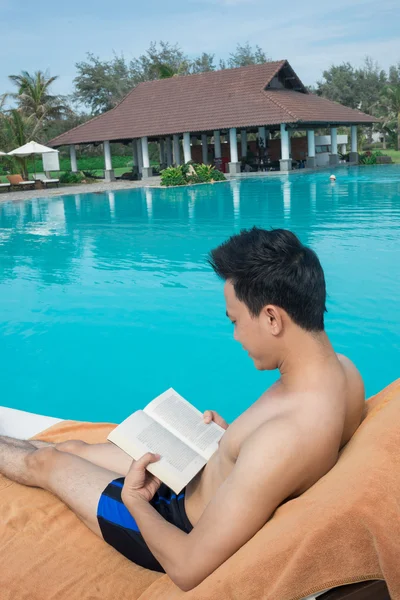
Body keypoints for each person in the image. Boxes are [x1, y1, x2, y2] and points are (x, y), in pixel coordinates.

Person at [0, 228, 365, 591]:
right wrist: (231, 442)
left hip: (170, 521)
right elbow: (273, 459)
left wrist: (135, 501)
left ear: (272, 318)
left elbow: (189, 566)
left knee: (47, 463)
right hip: (194, 474)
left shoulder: (287, 437)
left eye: (235, 321)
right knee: (73, 448)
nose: (235, 336)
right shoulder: (344, 374)